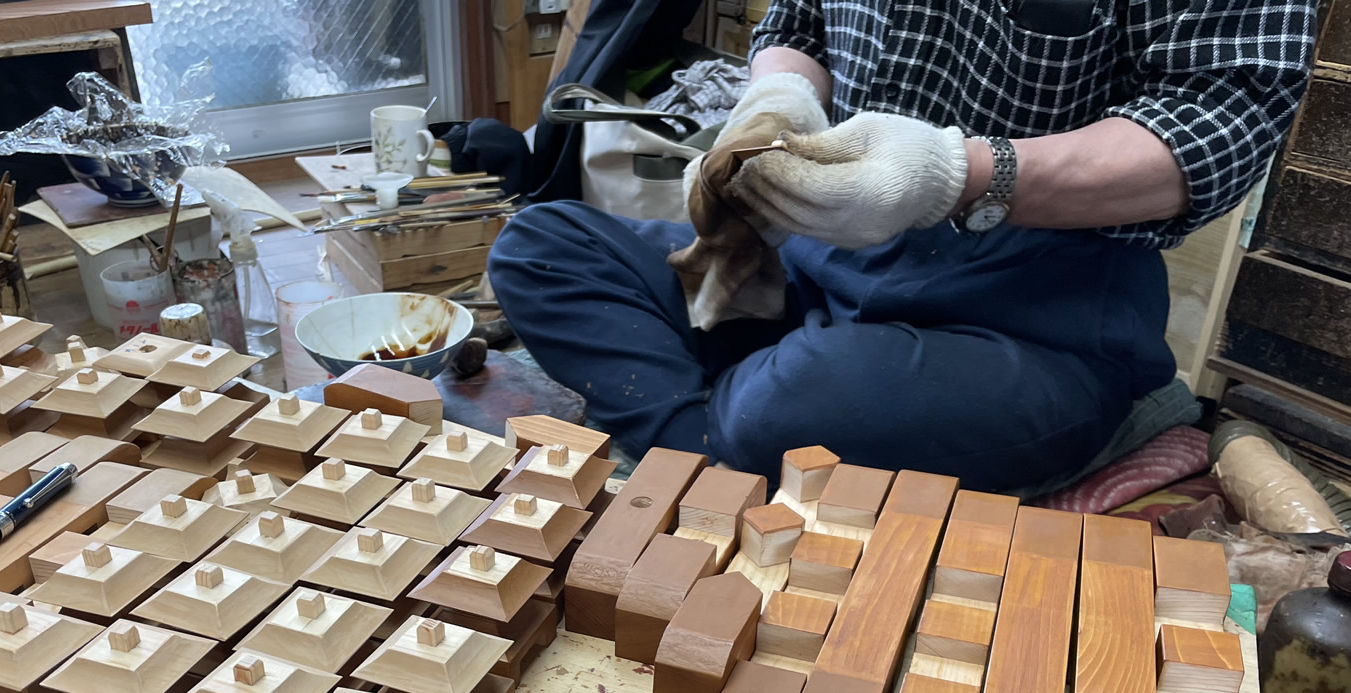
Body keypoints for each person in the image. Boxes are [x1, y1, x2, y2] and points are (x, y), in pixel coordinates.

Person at [487, 0, 1314, 491]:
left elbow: (1220, 121)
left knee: (782, 410)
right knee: (542, 244)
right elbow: (798, 20)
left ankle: (736, 426)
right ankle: (703, 448)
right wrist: (777, 103)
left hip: (1033, 307)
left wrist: (958, 174)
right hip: (823, 255)